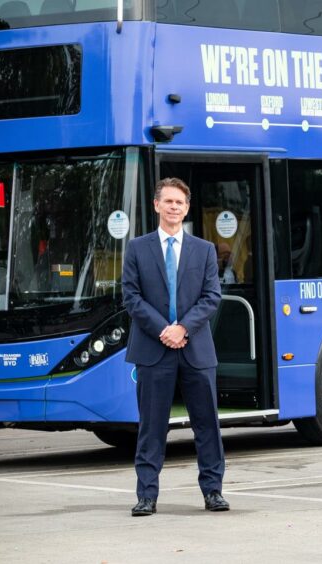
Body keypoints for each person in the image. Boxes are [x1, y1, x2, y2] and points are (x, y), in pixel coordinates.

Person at [122, 177, 228, 516]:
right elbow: (132, 298)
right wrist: (163, 330)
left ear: (186, 208)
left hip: (195, 349)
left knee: (206, 425)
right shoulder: (137, 248)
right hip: (154, 350)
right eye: (168, 201)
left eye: (179, 203)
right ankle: (147, 496)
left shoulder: (204, 249)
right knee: (151, 427)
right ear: (156, 206)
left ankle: (213, 491)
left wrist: (183, 328)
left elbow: (212, 297)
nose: (174, 207)